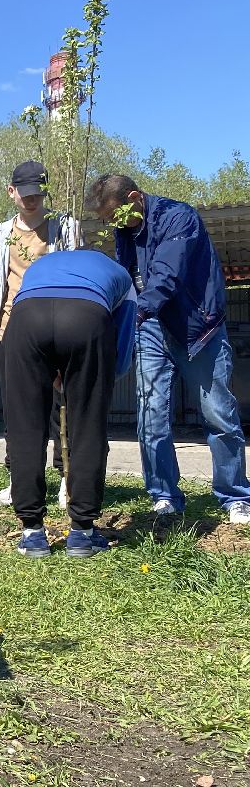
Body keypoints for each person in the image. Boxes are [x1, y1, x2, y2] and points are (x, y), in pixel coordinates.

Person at [88, 174, 250, 526]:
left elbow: (166, 276)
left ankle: (235, 495)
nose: (111, 223)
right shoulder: (125, 228)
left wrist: (136, 312)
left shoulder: (180, 217)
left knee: (218, 414)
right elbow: (128, 277)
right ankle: (164, 495)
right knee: (151, 415)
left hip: (198, 330)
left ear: (135, 198)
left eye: (114, 215)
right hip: (152, 328)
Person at [3, 250, 136, 558]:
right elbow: (123, 343)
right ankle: (83, 534)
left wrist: (56, 369)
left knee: (26, 426)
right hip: (86, 317)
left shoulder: (41, 265)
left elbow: (39, 310)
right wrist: (92, 384)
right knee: (87, 426)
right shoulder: (122, 277)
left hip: (26, 318)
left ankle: (32, 533)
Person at [0, 159, 82, 509]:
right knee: (18, 412)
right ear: (11, 192)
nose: (31, 200)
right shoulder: (0, 235)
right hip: (10, 333)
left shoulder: (65, 226)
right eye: (25, 194)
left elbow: (77, 276)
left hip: (58, 331)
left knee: (61, 409)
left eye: (38, 193)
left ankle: (68, 481)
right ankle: (18, 483)